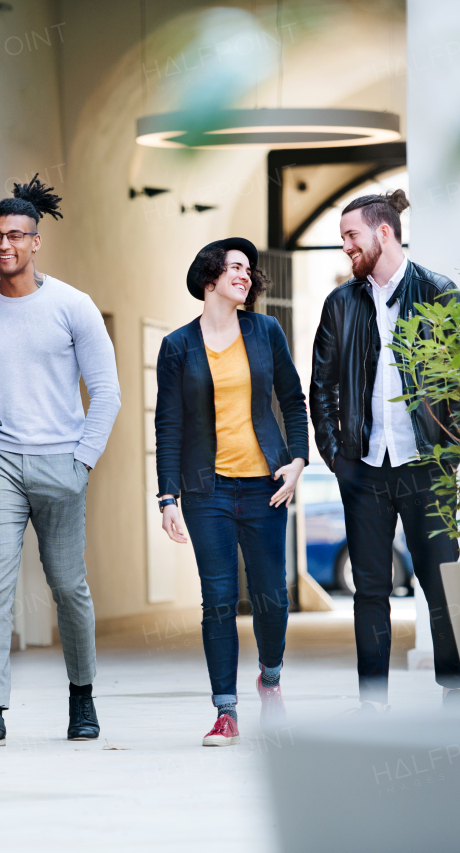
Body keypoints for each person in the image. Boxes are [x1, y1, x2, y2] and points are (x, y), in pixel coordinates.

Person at [0, 176, 120, 748]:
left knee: (68, 586)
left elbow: (106, 391)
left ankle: (82, 694)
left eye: (16, 236)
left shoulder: (73, 306)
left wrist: (83, 462)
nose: (4, 246)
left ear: (35, 241)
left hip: (61, 463)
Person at [308, 190, 460, 712]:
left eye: (351, 236)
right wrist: (339, 460)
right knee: (371, 589)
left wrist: (447, 456)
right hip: (364, 469)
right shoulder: (340, 303)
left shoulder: (441, 295)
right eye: (342, 240)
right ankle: (373, 701)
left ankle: (455, 688)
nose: (346, 248)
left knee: (440, 581)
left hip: (426, 465)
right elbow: (322, 387)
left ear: (384, 233)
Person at [155, 238, 308, 746]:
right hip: (207, 492)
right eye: (235, 267)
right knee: (218, 600)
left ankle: (270, 679)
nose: (246, 275)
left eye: (249, 269)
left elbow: (292, 398)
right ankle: (226, 711)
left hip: (265, 485)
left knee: (270, 598)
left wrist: (298, 461)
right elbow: (169, 424)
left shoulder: (265, 331)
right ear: (210, 278)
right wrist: (167, 497)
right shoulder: (178, 345)